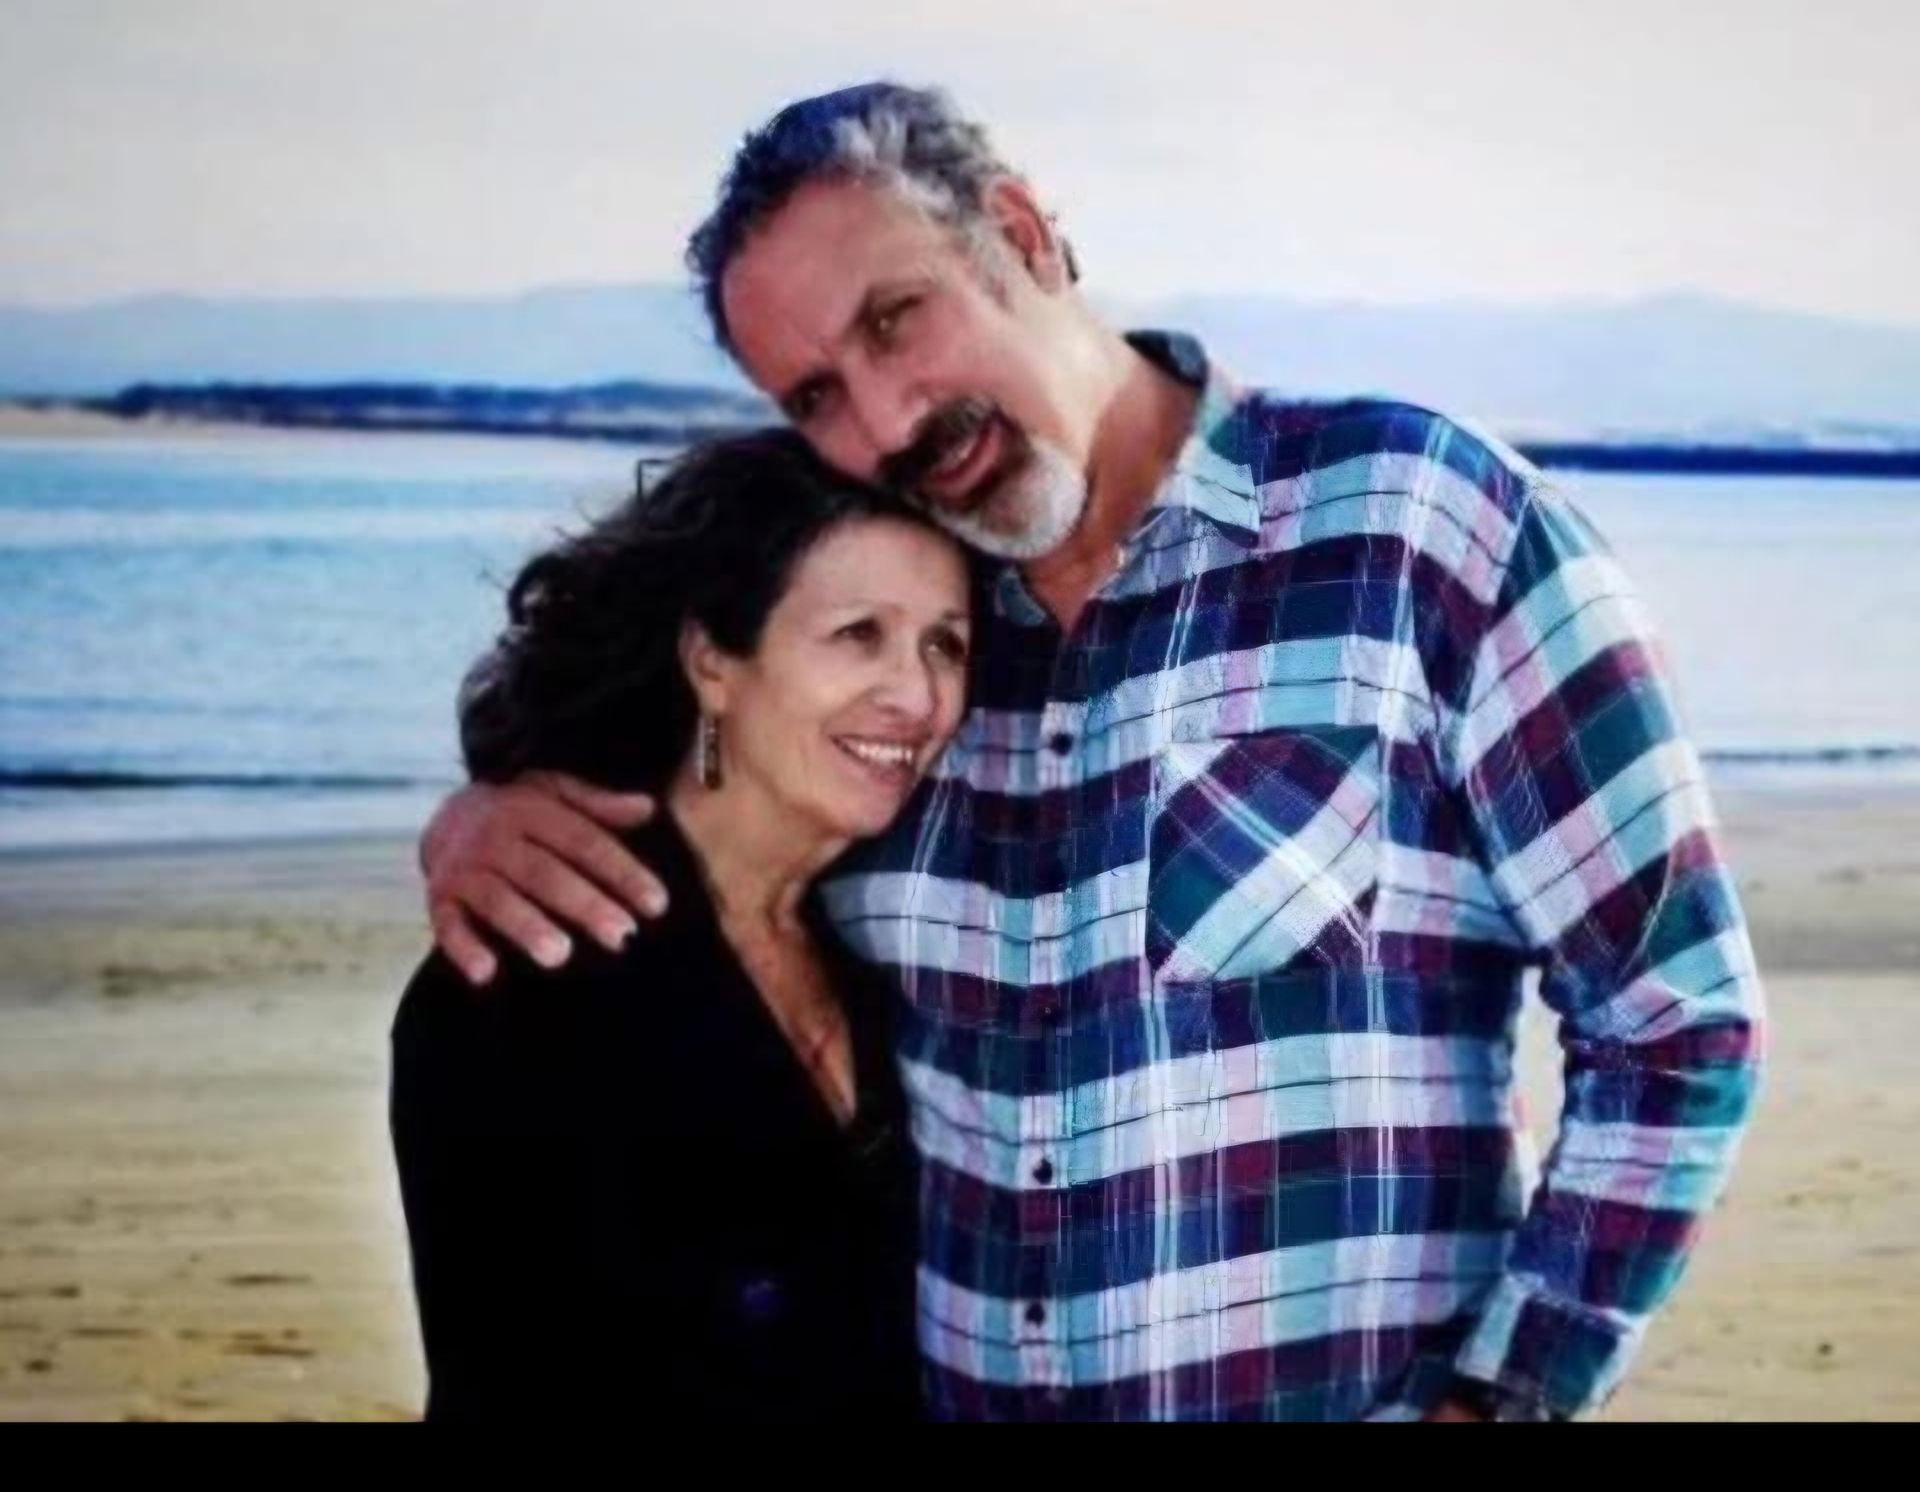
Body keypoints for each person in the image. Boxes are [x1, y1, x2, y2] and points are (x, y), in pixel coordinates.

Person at [416, 84, 1765, 1422]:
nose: (889, 423)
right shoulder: (905, 644)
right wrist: (492, 802)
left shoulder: (1419, 525)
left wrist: (1502, 1399)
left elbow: (1676, 1020)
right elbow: (692, 770)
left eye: (899, 318)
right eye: (819, 393)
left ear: (1024, 232)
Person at [390, 429, 971, 1421]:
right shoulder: (530, 974)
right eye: (856, 634)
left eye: (944, 644)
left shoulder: (883, 945)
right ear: (711, 658)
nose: (916, 696)